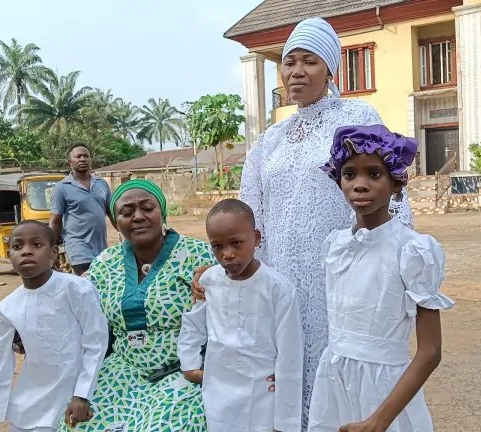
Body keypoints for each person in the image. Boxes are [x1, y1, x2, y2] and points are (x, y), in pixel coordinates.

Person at [193, 17, 414, 427]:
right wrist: (228, 267)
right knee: (282, 373)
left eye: (309, 61)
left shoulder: (356, 116)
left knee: (335, 372)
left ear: (330, 70)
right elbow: (248, 212)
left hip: (337, 275)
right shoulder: (271, 138)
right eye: (289, 61)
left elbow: (385, 188)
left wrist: (394, 261)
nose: (296, 71)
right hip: (278, 277)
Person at [307, 125, 454, 432]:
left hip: (386, 394)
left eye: (374, 174)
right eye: (349, 174)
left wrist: (379, 421)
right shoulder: (335, 246)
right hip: (334, 385)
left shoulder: (411, 251)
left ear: (395, 182)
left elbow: (430, 352)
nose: (360, 185)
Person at [57, 179, 216, 432]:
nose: (138, 216)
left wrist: (218, 280)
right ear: (115, 222)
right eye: (127, 212)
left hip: (182, 372)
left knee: (165, 427)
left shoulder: (198, 255)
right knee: (78, 425)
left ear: (162, 212)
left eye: (147, 208)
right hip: (121, 373)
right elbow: (75, 311)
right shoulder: (104, 264)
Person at [178, 199, 304, 432]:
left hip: (261, 397)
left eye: (236, 243)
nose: (227, 254)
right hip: (218, 394)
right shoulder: (209, 281)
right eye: (217, 246)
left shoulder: (278, 289)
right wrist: (189, 364)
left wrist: (285, 423)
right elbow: (193, 325)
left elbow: (290, 355)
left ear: (256, 238)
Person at [0, 221, 109, 432]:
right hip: (28, 408)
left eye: (36, 245)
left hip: (76, 398)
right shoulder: (6, 308)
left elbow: (95, 342)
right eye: (17, 246)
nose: (26, 252)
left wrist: (82, 394)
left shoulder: (78, 289)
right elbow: (1, 366)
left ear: (53, 253)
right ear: (9, 255)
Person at [50, 144, 113, 276]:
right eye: (78, 156)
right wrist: (51, 251)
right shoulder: (61, 188)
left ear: (91, 159)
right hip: (78, 248)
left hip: (101, 249)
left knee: (102, 283)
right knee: (86, 283)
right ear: (70, 162)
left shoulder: (101, 183)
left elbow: (112, 212)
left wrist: (126, 234)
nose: (82, 159)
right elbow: (55, 221)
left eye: (86, 156)